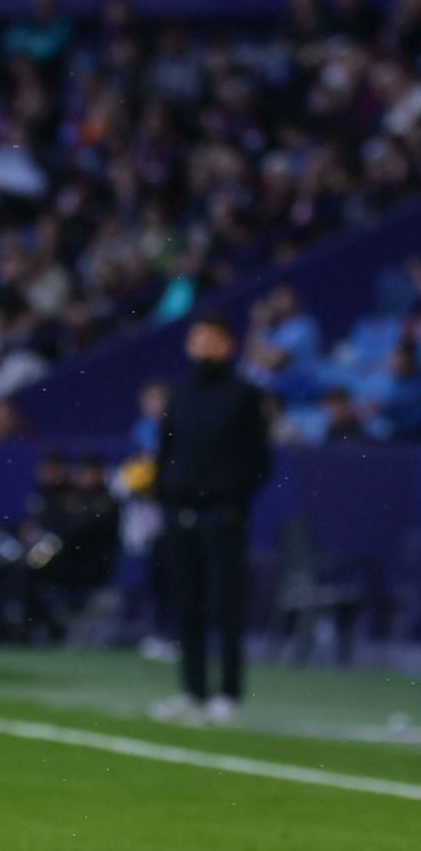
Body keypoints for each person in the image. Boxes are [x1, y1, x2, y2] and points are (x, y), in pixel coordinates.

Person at [150, 311, 272, 726]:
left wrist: (234, 501)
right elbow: (164, 452)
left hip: (223, 513)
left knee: (225, 605)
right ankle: (193, 691)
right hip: (179, 512)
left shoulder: (244, 396)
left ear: (227, 344)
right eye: (196, 339)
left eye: (210, 339)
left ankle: (228, 694)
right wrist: (165, 495)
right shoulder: (179, 396)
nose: (201, 347)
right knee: (187, 605)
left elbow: (260, 460)